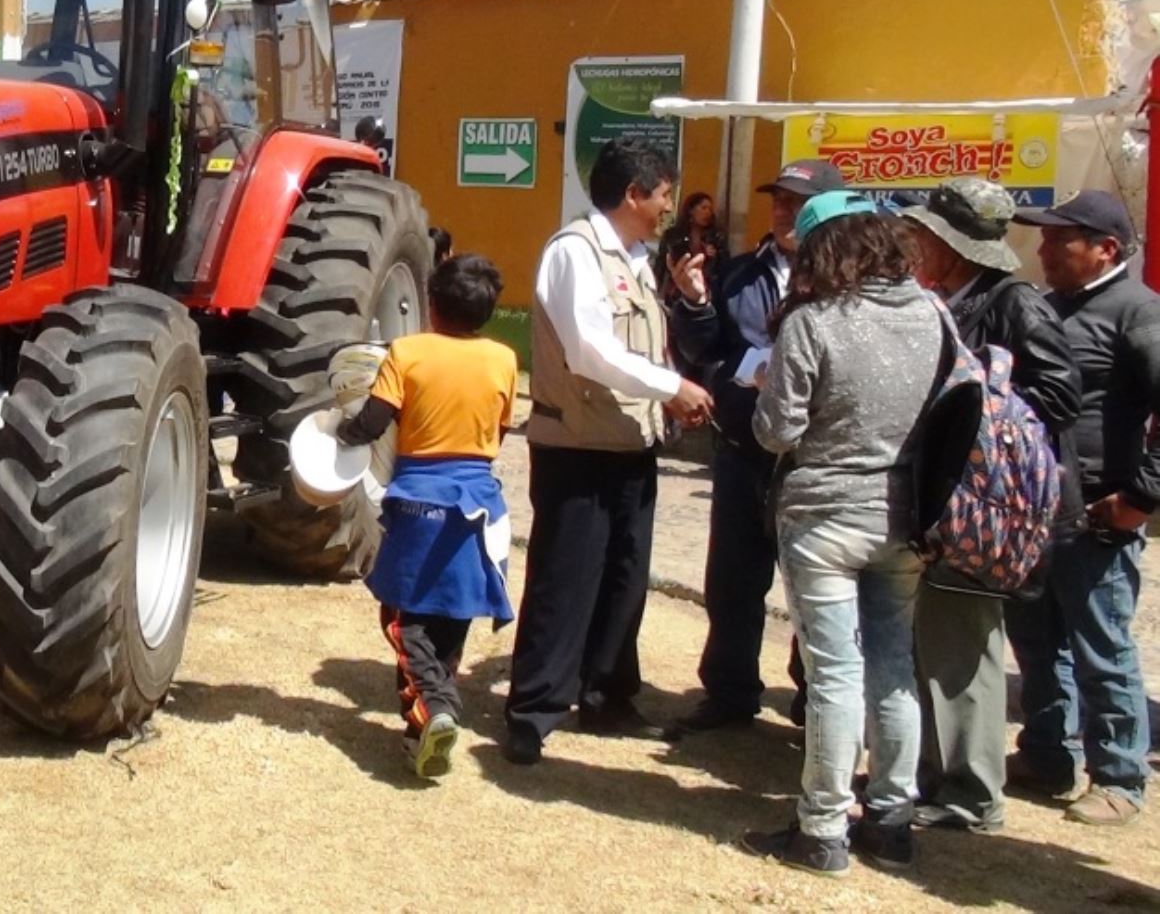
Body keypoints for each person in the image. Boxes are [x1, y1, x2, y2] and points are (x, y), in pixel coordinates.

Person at [741, 193, 942, 877]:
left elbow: (776, 431)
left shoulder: (813, 324)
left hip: (825, 517)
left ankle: (823, 828)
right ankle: (891, 817)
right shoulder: (934, 315)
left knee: (834, 674)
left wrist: (771, 386)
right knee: (892, 666)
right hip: (907, 518)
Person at [504, 136, 714, 761]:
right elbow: (589, 351)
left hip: (630, 442)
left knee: (625, 578)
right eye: (664, 198)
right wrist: (671, 387)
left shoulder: (636, 256)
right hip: (578, 443)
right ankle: (533, 710)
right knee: (565, 579)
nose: (668, 210)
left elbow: (643, 341)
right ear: (632, 194)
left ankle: (607, 698)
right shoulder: (575, 252)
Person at [900, 178, 1082, 834]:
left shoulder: (1014, 304)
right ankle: (931, 776)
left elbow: (1060, 395)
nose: (916, 244)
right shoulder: (949, 296)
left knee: (966, 646)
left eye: (926, 236)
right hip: (947, 500)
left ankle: (972, 794)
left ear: (952, 245)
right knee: (933, 640)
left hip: (989, 508)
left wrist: (981, 389)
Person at [664, 159, 845, 739]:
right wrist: (694, 304)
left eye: (799, 202)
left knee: (819, 589)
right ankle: (728, 690)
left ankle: (814, 698)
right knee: (733, 582)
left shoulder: (848, 281)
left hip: (814, 462)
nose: (786, 212)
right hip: (745, 452)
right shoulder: (738, 273)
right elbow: (701, 351)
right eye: (780, 201)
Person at [335, 253, 519, 779]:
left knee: (401, 613)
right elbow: (499, 432)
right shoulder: (504, 360)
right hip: (479, 503)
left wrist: (336, 434)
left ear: (432, 305)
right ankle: (422, 732)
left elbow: (372, 423)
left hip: (420, 500)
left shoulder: (408, 352)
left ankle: (437, 708)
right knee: (450, 615)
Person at [1007, 190, 1155, 826]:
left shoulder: (1137, 313)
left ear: (1105, 250)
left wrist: (1141, 498)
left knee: (1101, 646)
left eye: (1057, 240)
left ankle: (1120, 775)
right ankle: (1047, 753)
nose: (1041, 250)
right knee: (1037, 643)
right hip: (1037, 507)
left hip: (1099, 512)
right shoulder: (1047, 306)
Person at [660, 191, 728, 303]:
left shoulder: (716, 237)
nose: (708, 213)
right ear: (691, 210)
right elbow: (662, 264)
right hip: (675, 292)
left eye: (710, 209)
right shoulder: (673, 235)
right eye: (703, 208)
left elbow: (724, 266)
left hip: (704, 292)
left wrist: (714, 255)